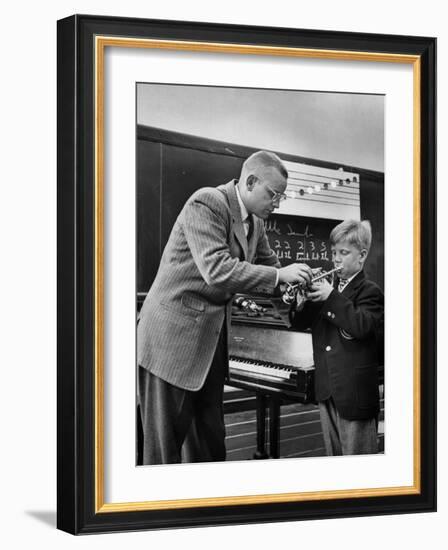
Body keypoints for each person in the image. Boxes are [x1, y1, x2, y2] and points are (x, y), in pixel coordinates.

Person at [137, 150, 313, 464]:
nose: (277, 203)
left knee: (209, 448)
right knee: (163, 452)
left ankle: (203, 510)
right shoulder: (207, 203)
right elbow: (216, 269)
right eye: (273, 195)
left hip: (209, 347)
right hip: (170, 344)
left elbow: (272, 268)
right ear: (250, 181)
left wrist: (297, 283)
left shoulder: (255, 224)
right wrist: (278, 276)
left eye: (281, 198)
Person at [290, 220, 384, 456]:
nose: (336, 259)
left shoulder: (370, 291)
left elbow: (361, 326)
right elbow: (299, 324)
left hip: (354, 394)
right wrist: (301, 303)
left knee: (359, 464)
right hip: (327, 389)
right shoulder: (328, 292)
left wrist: (330, 296)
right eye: (333, 253)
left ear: (361, 256)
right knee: (335, 459)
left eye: (344, 253)